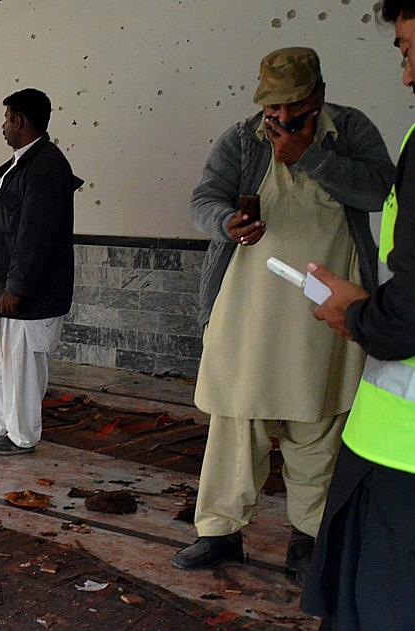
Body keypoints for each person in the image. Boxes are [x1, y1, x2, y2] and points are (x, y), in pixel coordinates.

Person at [177, 48, 392, 572]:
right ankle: (220, 533)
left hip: (324, 313)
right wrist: (226, 222)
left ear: (317, 97)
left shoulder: (351, 131)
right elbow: (204, 198)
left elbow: (380, 190)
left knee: (317, 421)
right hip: (249, 311)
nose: (281, 118)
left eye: (294, 106)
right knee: (235, 418)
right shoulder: (242, 139)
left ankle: (309, 537)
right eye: (273, 107)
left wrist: (309, 156)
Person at [298, 6, 415, 631]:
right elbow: (209, 195)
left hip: (401, 453)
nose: (406, 71)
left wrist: (358, 315)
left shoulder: (367, 134)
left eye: (411, 50)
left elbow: (410, 310)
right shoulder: (242, 137)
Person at [0, 89, 80, 450]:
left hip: (27, 295)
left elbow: (35, 235)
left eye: (6, 118)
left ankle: (22, 436)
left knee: (22, 363)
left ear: (20, 121)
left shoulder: (46, 167)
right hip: (0, 287)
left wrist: (16, 287)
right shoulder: (15, 166)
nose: (3, 126)